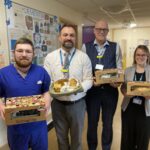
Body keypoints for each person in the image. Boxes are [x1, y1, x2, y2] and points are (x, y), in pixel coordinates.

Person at [44, 24, 93, 150]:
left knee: (77, 139)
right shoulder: (50, 57)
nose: (68, 38)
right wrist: (54, 89)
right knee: (61, 138)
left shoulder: (83, 57)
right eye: (65, 35)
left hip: (77, 104)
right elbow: (47, 80)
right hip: (58, 105)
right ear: (60, 38)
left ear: (75, 38)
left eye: (72, 35)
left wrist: (78, 88)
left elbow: (89, 80)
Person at [0, 37, 51, 150]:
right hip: (16, 127)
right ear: (14, 53)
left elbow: (46, 90)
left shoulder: (41, 72)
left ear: (33, 54)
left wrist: (47, 102)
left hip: (38, 125)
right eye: (20, 51)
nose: (24, 54)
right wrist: (1, 106)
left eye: (28, 51)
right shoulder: (3, 74)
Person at [82, 20, 122, 150]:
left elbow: (119, 68)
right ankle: (92, 147)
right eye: (99, 29)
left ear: (108, 31)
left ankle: (106, 147)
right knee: (92, 123)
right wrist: (90, 81)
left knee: (108, 123)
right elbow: (83, 70)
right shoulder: (85, 47)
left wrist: (118, 81)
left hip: (110, 92)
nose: (101, 31)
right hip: (92, 92)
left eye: (104, 29)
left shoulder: (115, 46)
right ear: (94, 30)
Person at [121, 45, 150, 150]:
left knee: (143, 138)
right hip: (129, 109)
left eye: (143, 55)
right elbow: (123, 87)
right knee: (127, 138)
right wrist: (124, 93)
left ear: (147, 56)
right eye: (138, 54)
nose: (140, 57)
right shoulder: (128, 70)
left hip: (145, 110)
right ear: (134, 56)